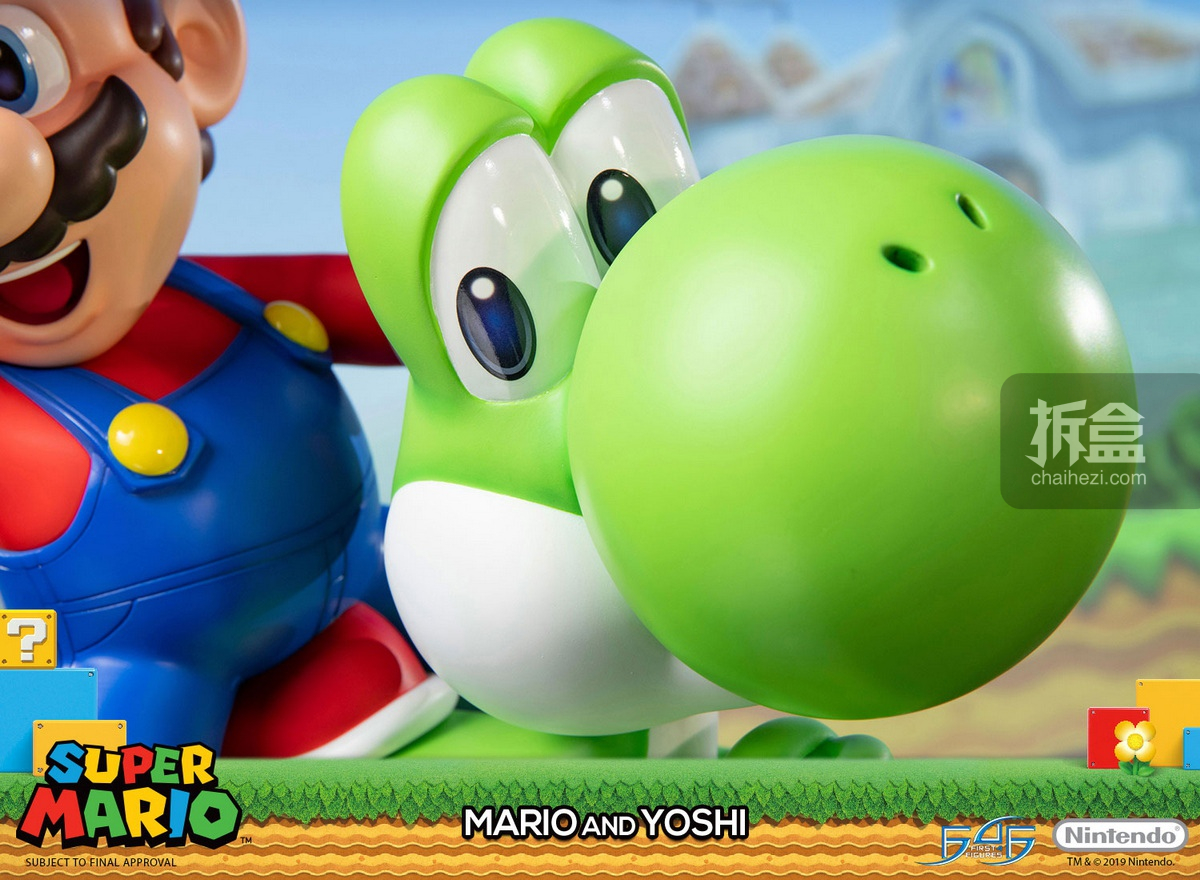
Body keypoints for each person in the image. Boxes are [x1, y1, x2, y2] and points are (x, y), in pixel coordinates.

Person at [0, 0, 455, 756]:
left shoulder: (222, 292)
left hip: (370, 569)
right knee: (117, 804)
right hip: (137, 679)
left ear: (195, 49)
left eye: (10, 73)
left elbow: (403, 308)